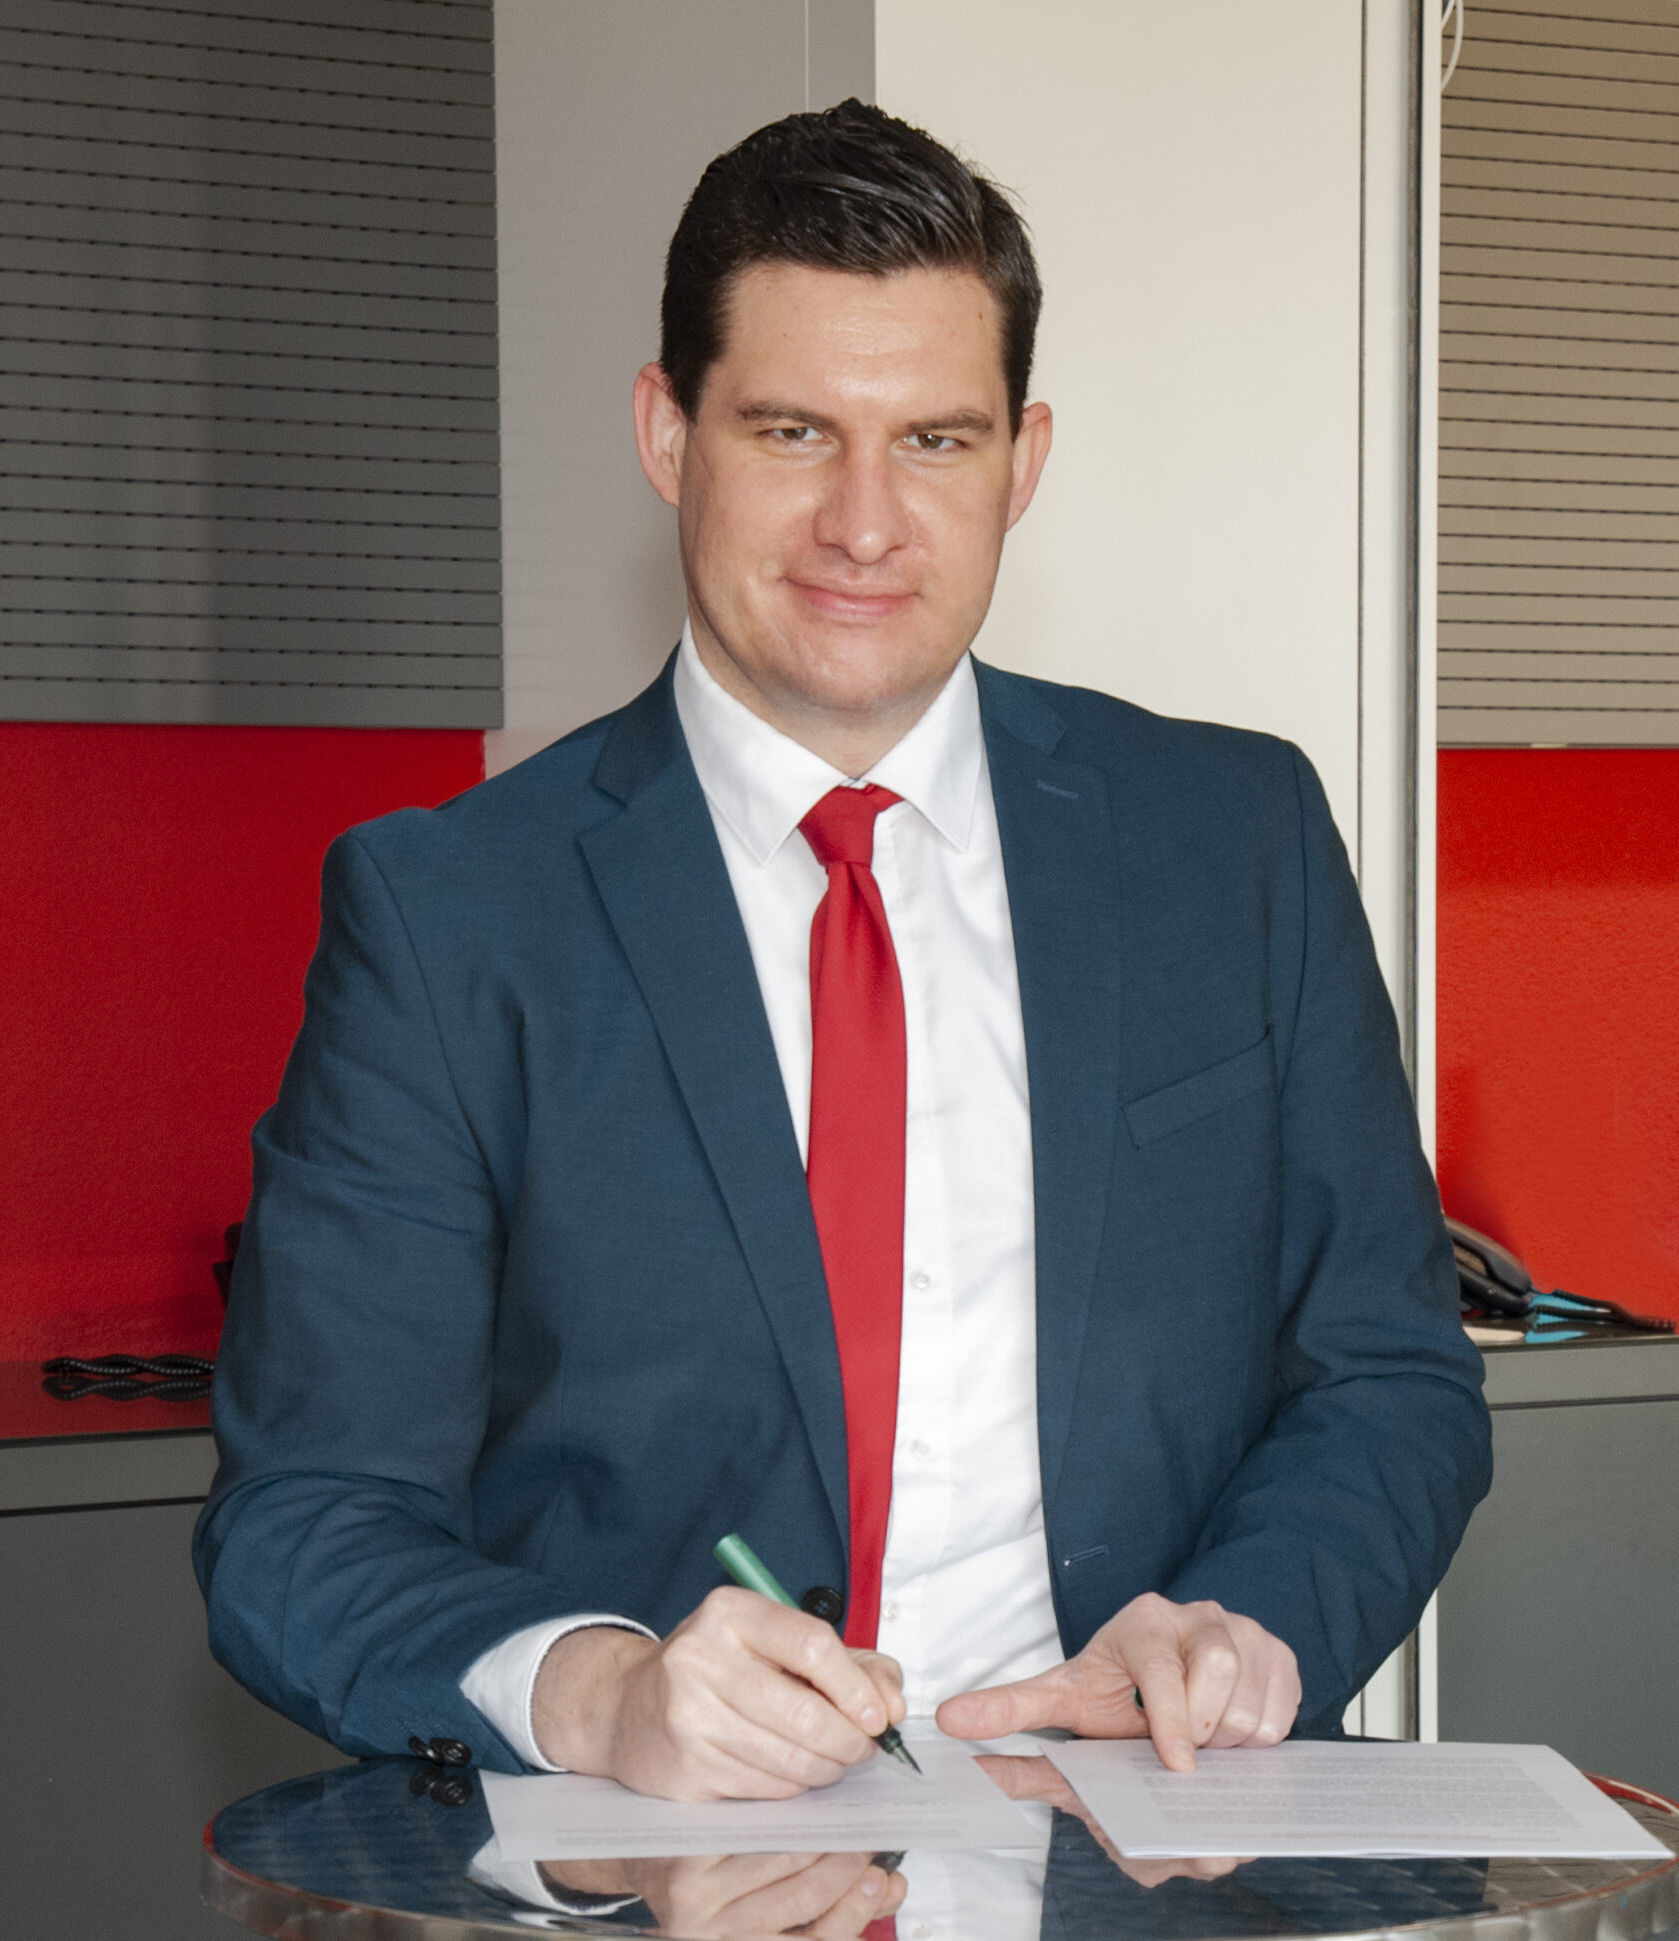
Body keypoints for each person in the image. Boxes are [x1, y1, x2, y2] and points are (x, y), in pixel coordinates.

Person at [193, 100, 1489, 1813]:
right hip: (665, 1880)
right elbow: (301, 1521)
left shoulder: (1234, 839)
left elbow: (1389, 1378)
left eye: (937, 441)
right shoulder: (450, 916)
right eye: (796, 430)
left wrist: (1248, 1629)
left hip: (1148, 1857)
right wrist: (602, 1692)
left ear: (1025, 462)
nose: (866, 524)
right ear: (669, 435)